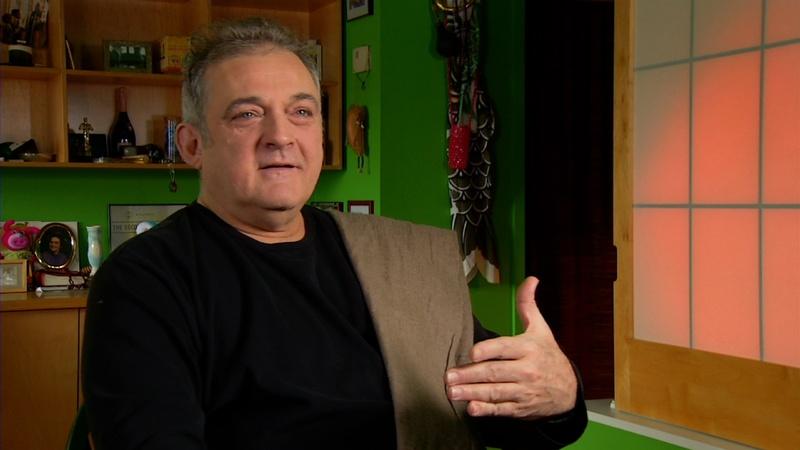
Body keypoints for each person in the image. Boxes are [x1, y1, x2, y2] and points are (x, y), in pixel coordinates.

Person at [82, 17, 587, 449]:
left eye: (301, 112)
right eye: (248, 114)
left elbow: (505, 412)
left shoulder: (399, 259)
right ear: (192, 145)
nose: (280, 136)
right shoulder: (146, 282)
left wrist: (561, 394)